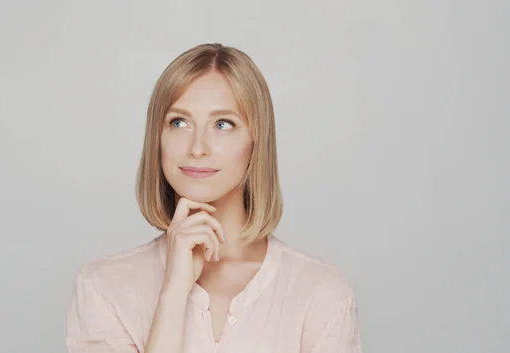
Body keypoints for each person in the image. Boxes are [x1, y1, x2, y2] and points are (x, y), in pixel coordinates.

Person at [66, 43, 362, 353]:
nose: (197, 147)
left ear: (255, 140)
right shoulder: (103, 287)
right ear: (158, 137)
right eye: (179, 122)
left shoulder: (320, 292)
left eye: (223, 124)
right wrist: (174, 291)